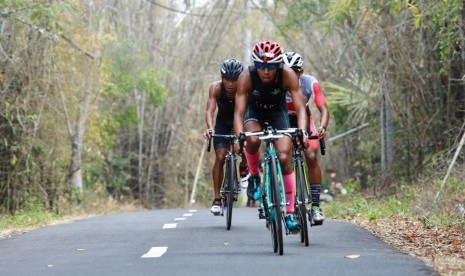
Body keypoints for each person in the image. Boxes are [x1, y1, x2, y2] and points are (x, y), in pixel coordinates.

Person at [234, 41, 308, 233]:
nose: (265, 71)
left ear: (279, 65)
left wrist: (302, 131)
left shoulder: (288, 75)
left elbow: (300, 108)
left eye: (271, 66)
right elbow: (238, 113)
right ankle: (254, 176)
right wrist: (238, 136)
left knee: (284, 156)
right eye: (260, 66)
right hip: (255, 112)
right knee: (252, 139)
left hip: (277, 113)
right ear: (255, 64)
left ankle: (290, 212)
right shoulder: (246, 77)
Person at [282, 52, 330, 225]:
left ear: (301, 71)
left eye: (296, 71)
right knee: (283, 156)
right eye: (288, 70)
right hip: (283, 119)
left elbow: (323, 107)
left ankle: (316, 206)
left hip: (304, 118)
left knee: (310, 154)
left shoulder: (310, 81)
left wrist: (323, 126)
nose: (292, 74)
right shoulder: (277, 82)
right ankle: (289, 201)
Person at [203, 59, 248, 216]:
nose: (230, 84)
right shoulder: (215, 88)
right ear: (222, 78)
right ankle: (217, 199)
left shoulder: (245, 88)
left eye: (234, 80)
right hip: (222, 123)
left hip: (240, 122)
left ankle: (244, 166)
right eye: (227, 79)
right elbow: (210, 111)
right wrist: (210, 128)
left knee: (241, 147)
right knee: (220, 157)